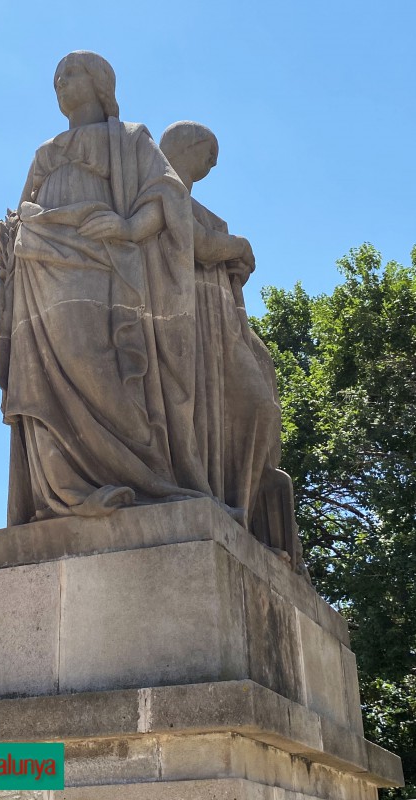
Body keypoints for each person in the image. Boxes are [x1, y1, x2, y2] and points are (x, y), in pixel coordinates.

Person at [0, 53, 213, 524]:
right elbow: (21, 208)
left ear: (100, 83)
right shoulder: (44, 152)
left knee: (99, 367)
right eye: (55, 78)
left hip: (101, 265)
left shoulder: (130, 138)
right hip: (39, 270)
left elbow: (165, 194)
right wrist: (8, 239)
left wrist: (130, 229)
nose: (59, 83)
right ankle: (66, 492)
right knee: (41, 377)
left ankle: (141, 475)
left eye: (70, 74)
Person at [160, 121, 308, 575]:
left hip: (222, 326)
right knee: (251, 408)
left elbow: (216, 255)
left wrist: (233, 258)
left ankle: (238, 510)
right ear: (188, 147)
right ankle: (230, 506)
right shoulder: (159, 187)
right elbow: (198, 246)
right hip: (185, 323)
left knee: (261, 405)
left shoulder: (201, 209)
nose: (214, 163)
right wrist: (237, 245)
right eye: (210, 153)